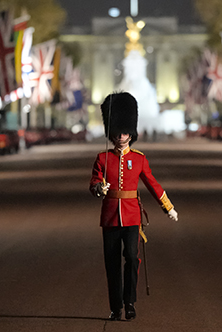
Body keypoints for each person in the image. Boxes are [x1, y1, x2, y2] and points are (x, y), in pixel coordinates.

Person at [89, 92, 178, 321]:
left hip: (131, 217)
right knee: (112, 264)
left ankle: (129, 302)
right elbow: (94, 183)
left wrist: (167, 207)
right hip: (110, 218)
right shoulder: (102, 158)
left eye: (125, 132)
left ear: (131, 133)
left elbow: (152, 184)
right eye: (117, 132)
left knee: (131, 257)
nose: (121, 136)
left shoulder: (138, 159)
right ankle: (115, 306)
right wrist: (99, 188)